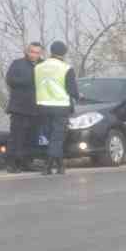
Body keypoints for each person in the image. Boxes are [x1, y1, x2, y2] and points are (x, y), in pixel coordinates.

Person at [34, 41, 78, 175]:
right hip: (60, 106)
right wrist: (78, 95)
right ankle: (48, 165)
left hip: (42, 105)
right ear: (64, 53)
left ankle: (60, 165)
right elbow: (72, 90)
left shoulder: (38, 67)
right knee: (57, 137)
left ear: (51, 51)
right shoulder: (66, 68)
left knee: (50, 135)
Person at [4, 41, 44, 173]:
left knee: (32, 136)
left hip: (37, 108)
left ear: (41, 53)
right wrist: (30, 80)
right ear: (27, 52)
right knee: (16, 136)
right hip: (19, 107)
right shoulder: (17, 64)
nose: (34, 55)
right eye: (32, 52)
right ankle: (12, 163)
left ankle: (27, 162)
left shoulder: (43, 65)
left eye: (37, 52)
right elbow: (10, 80)